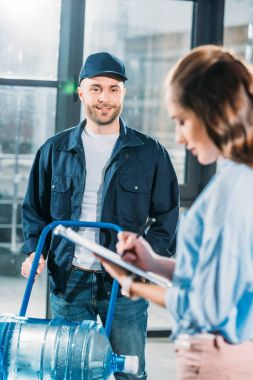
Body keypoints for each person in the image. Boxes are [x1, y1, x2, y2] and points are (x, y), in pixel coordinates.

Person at [21, 52, 179, 380]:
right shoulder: (54, 150)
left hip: (123, 286)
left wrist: (143, 263)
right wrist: (35, 252)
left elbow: (167, 216)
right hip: (69, 281)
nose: (104, 98)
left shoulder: (149, 153)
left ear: (123, 93)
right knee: (67, 372)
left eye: (113, 89)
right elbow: (35, 210)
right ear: (81, 92)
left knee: (129, 373)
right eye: (95, 89)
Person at [98, 45, 253, 380]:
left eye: (182, 121)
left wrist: (131, 283)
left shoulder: (234, 190)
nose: (180, 137)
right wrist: (153, 264)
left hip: (216, 362)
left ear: (212, 111)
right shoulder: (236, 177)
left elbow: (207, 307)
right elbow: (219, 276)